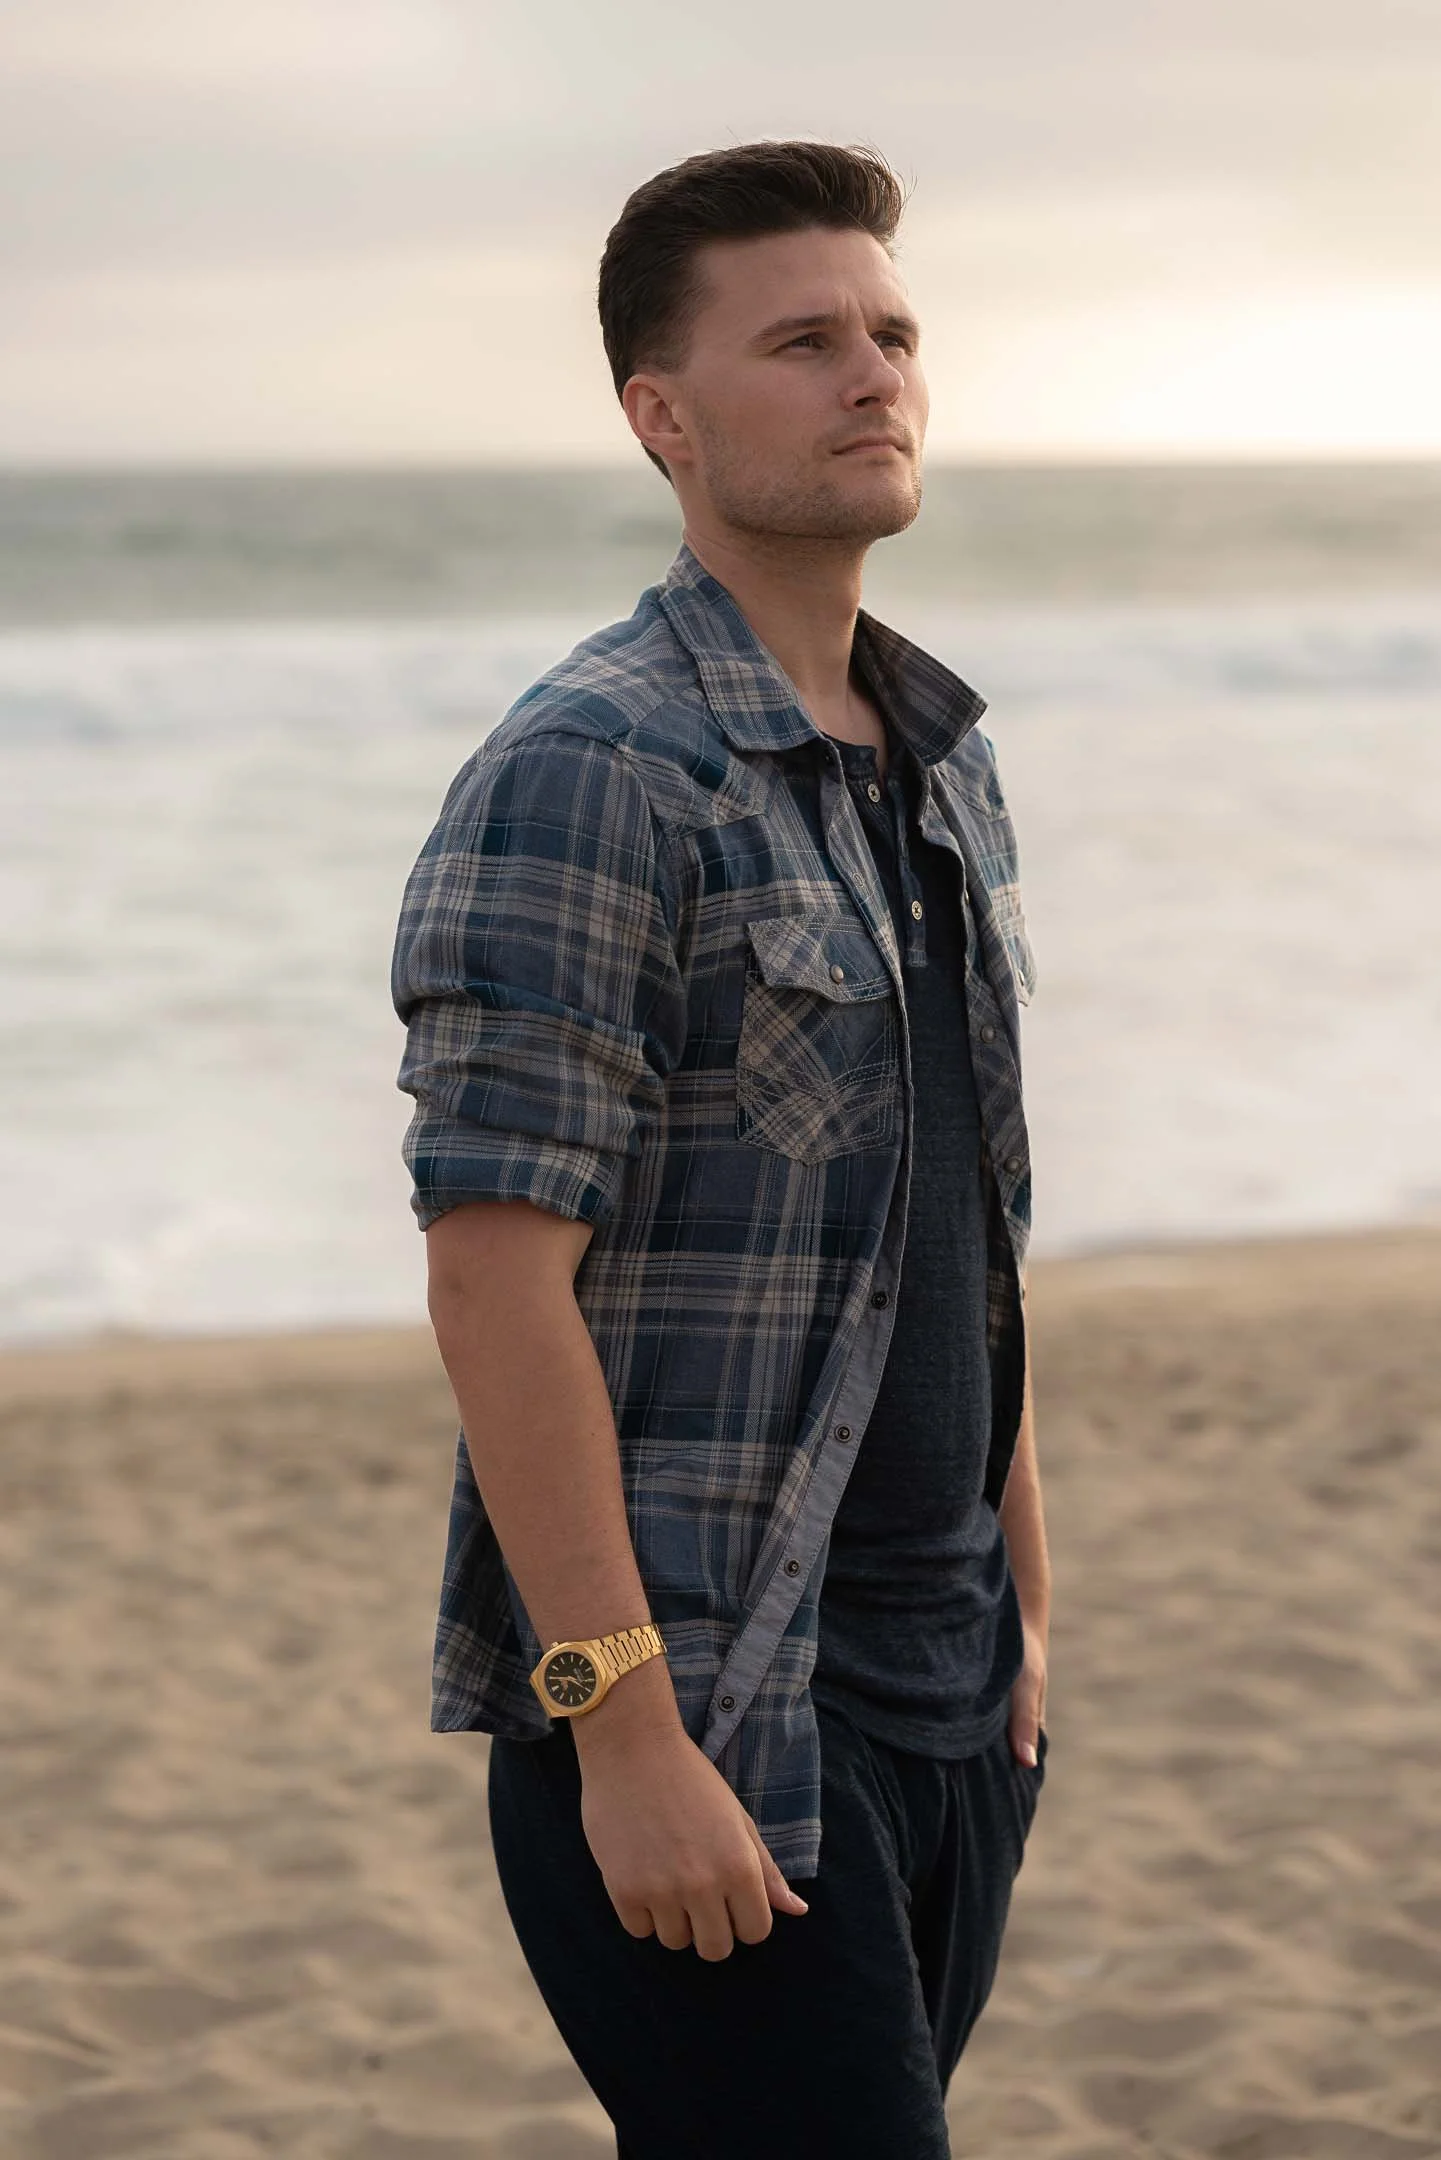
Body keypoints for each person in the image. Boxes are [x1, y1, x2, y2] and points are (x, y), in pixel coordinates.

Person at [391, 139, 1051, 2160]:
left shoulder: (937, 750)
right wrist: (626, 1726)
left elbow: (954, 1209)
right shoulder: (594, 767)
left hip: (955, 1698)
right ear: (660, 418)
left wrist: (1031, 1593)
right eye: (802, 341)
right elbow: (496, 1275)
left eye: (893, 332)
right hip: (722, 1709)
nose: (873, 374)